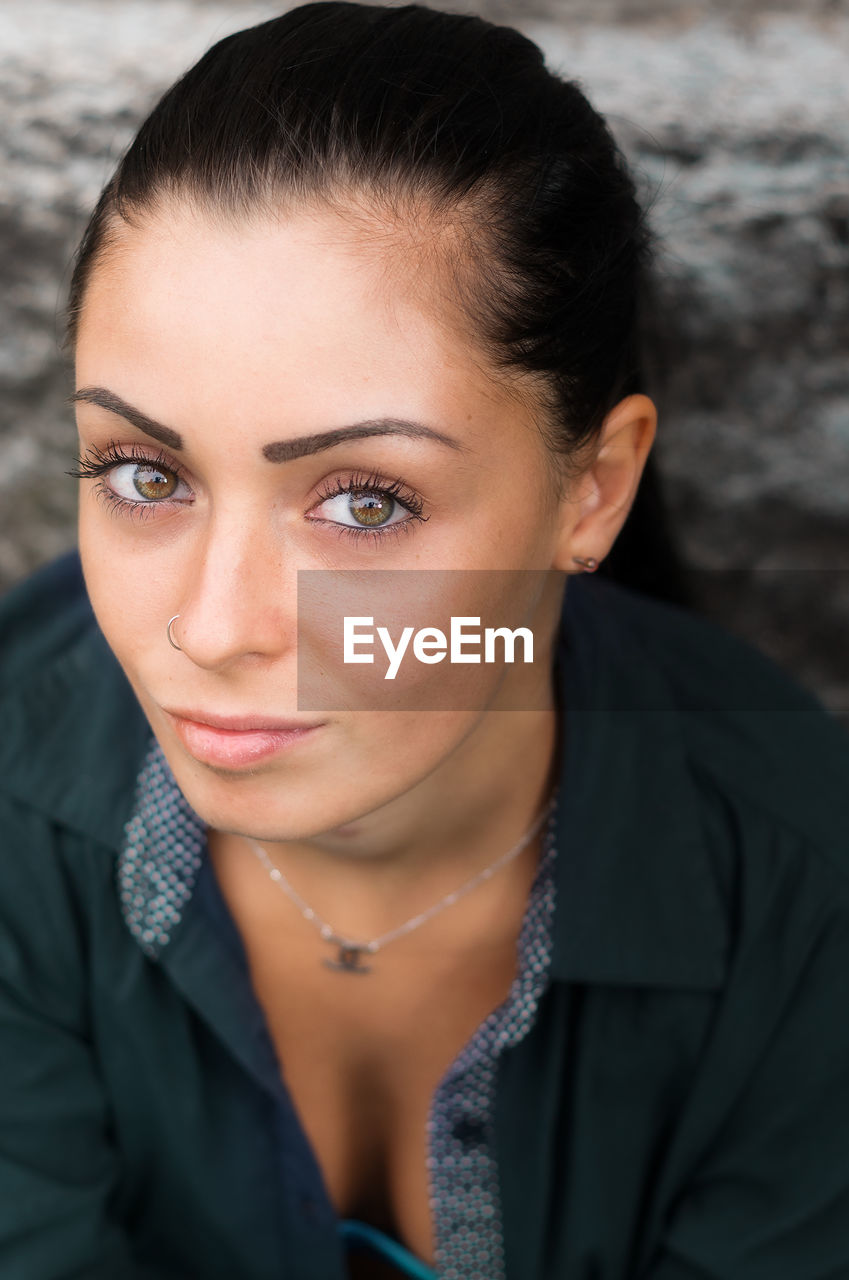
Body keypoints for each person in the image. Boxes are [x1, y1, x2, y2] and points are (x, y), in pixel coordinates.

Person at [1, 4, 848, 1278]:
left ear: (593, 489)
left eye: (365, 501)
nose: (216, 627)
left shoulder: (803, 900)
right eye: (144, 472)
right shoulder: (16, 805)